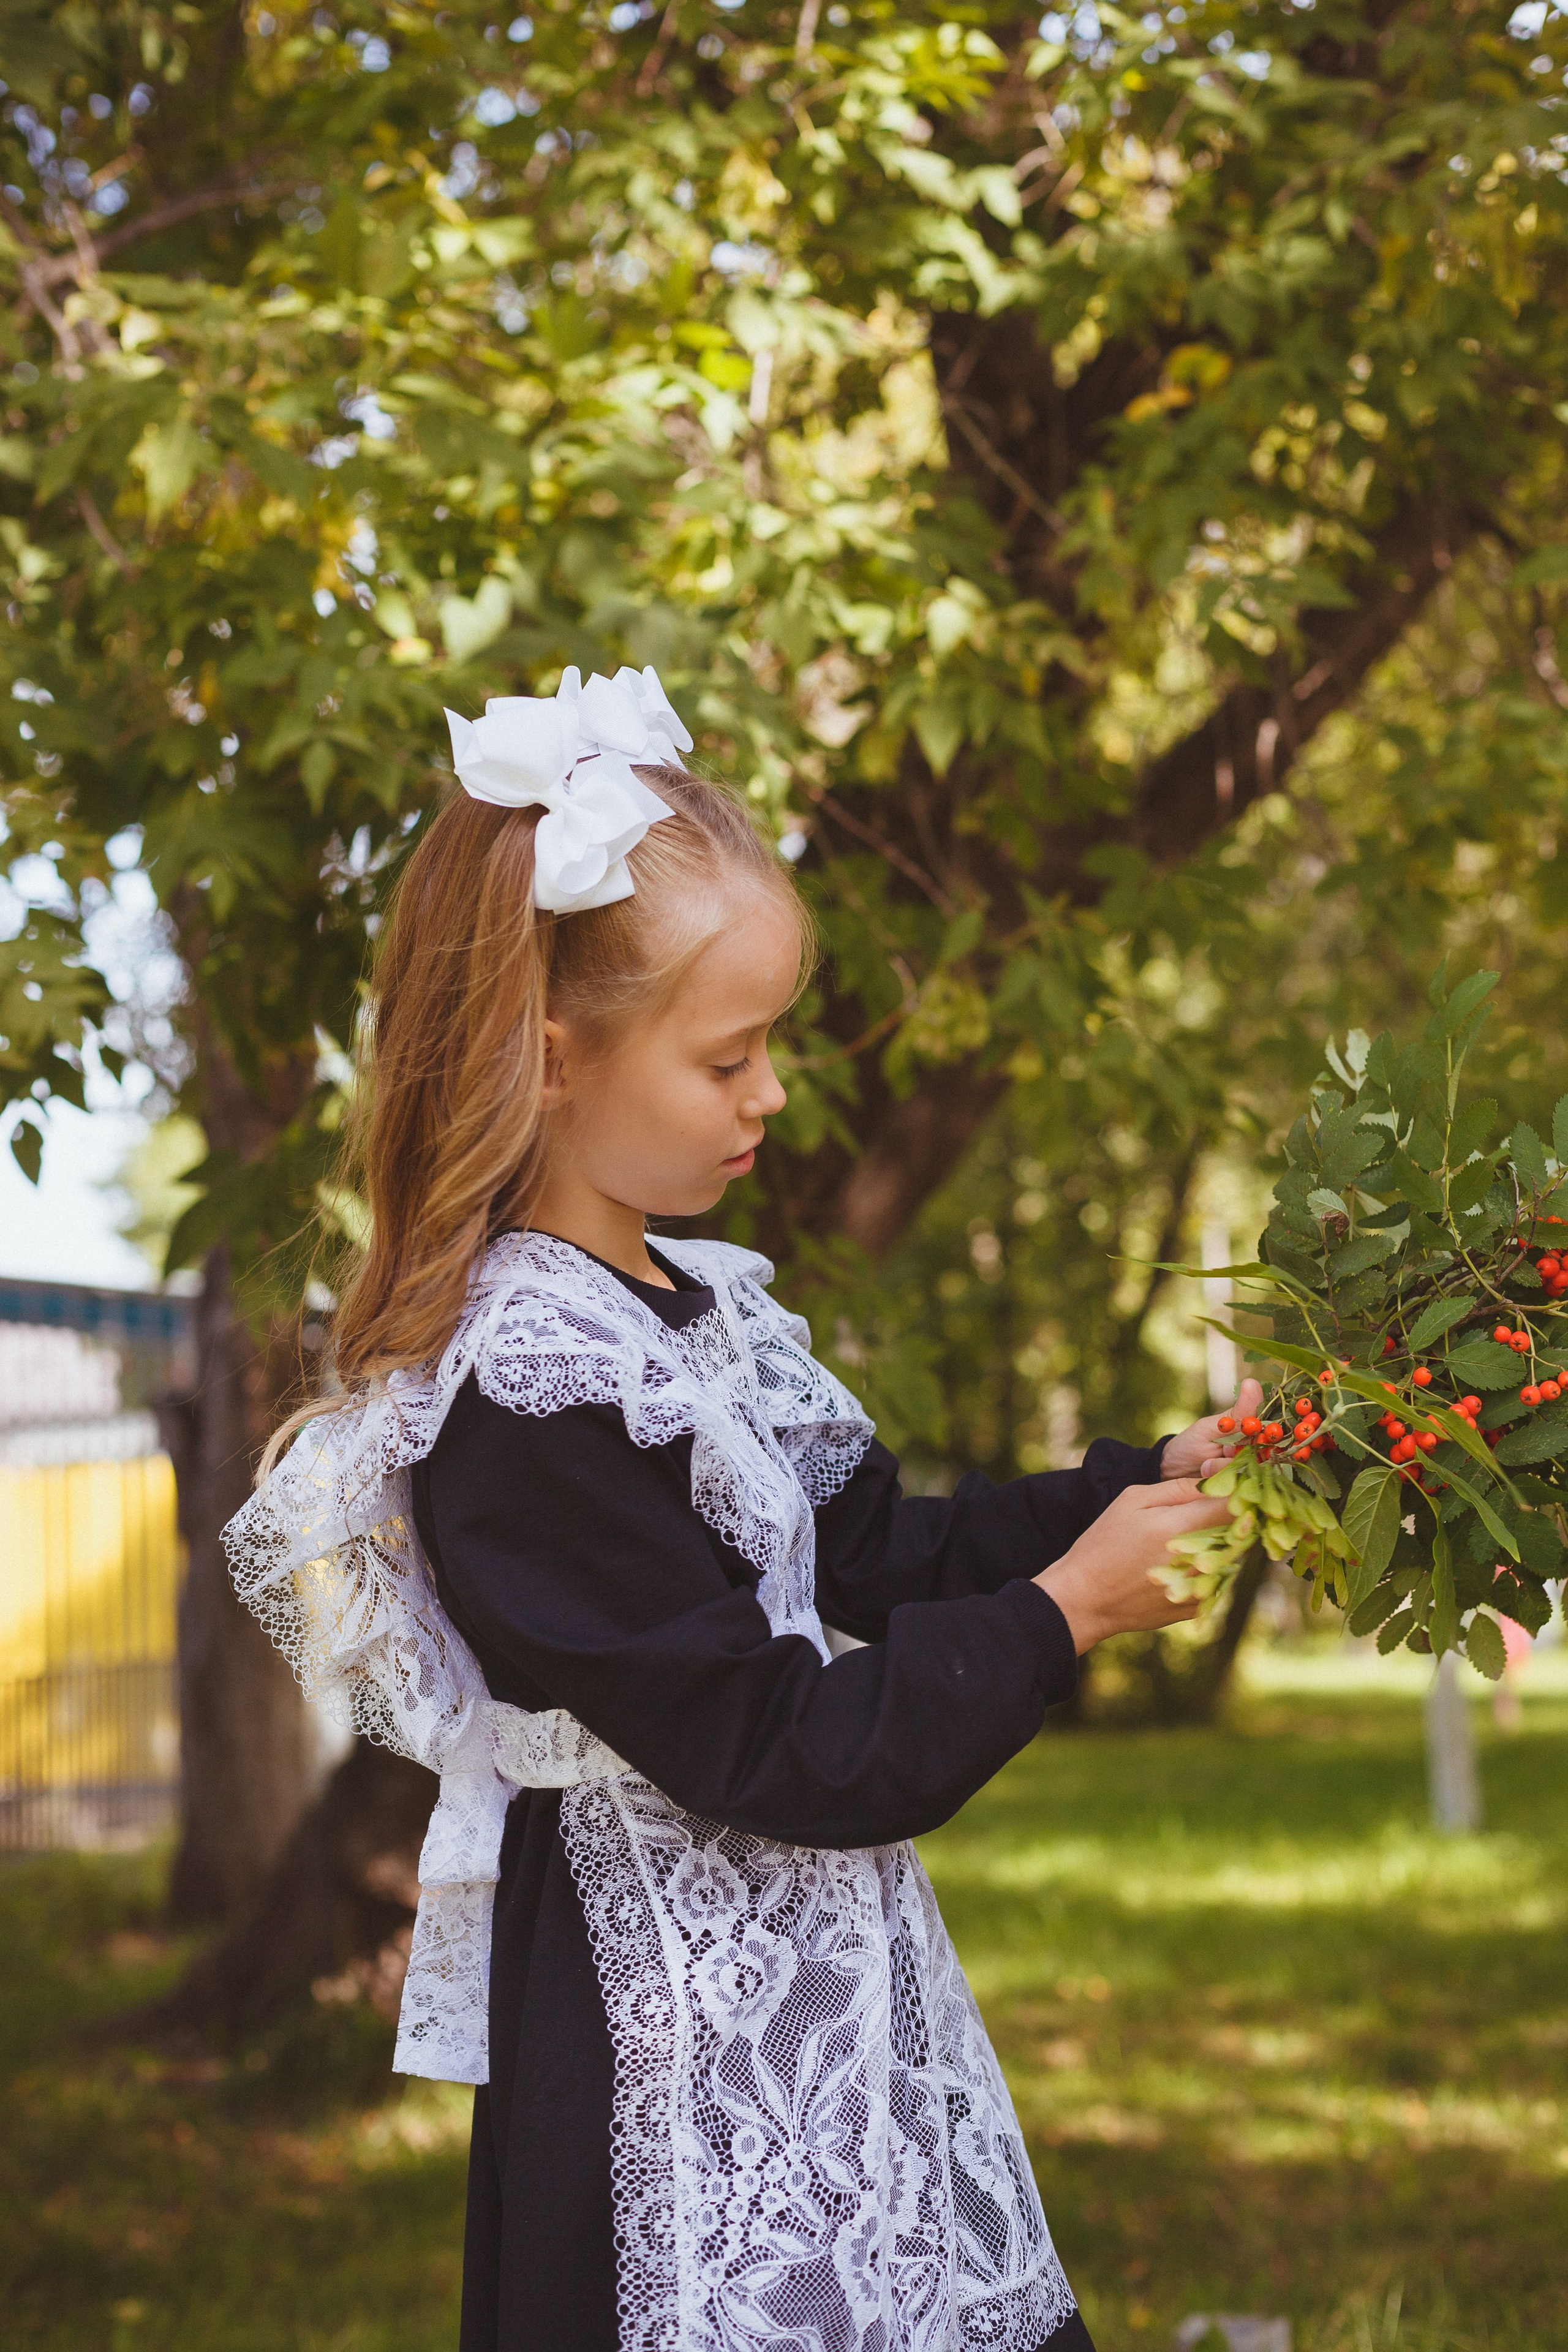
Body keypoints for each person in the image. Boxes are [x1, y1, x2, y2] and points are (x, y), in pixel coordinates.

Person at [225, 666, 1252, 2352]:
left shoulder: (687, 1314)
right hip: (660, 2032)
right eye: (731, 1056)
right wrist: (1065, 1616)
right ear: (550, 1062)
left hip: (816, 1974)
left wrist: (1132, 1487)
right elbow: (781, 1747)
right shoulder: (526, 1396)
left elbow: (877, 1553)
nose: (771, 1093)